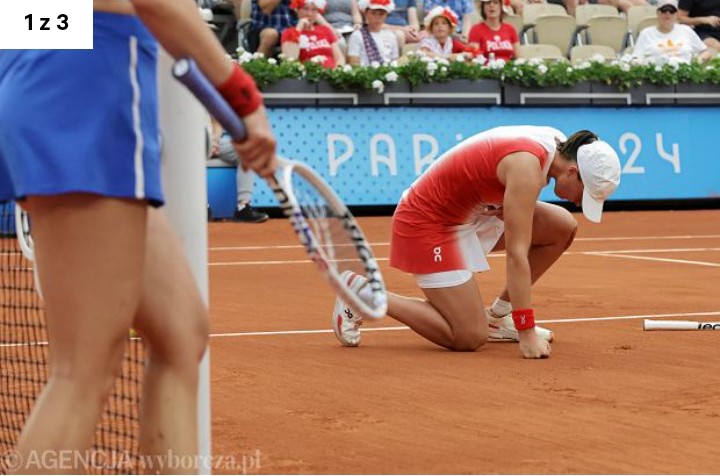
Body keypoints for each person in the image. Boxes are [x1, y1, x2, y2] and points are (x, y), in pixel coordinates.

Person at [0, 0, 276, 472]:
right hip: (89, 84)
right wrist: (242, 95)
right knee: (81, 373)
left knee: (180, 332)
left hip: (42, 64)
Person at [331, 126, 621, 359]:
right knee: (468, 336)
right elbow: (517, 254)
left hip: (471, 214)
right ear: (573, 172)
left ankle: (498, 317)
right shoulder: (527, 167)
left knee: (562, 226)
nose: (577, 202)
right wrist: (527, 331)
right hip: (427, 223)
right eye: (583, 194)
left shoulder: (556, 144)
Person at [210, 118, 270, 223]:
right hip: (185, 145)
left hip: (211, 143)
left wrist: (214, 141)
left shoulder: (209, 101)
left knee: (248, 148)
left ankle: (243, 207)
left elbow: (216, 122)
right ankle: (200, 207)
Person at [633, 0, 716, 62]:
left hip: (684, 75)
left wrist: (699, 60)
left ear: (676, 14)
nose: (667, 14)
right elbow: (636, 58)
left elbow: (705, 50)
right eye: (664, 10)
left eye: (671, 11)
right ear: (657, 13)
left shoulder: (686, 31)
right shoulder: (646, 33)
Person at [281, 0, 347, 67]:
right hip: (308, 74)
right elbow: (291, 59)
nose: (310, 14)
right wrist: (299, 28)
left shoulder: (325, 30)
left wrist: (337, 71)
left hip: (331, 73)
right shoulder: (289, 32)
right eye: (305, 9)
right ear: (297, 10)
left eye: (314, 10)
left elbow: (339, 58)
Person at [347, 0, 401, 65]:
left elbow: (395, 61)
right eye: (373, 13)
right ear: (366, 13)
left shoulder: (391, 36)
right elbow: (354, 62)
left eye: (381, 14)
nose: (377, 17)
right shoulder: (357, 36)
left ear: (386, 15)